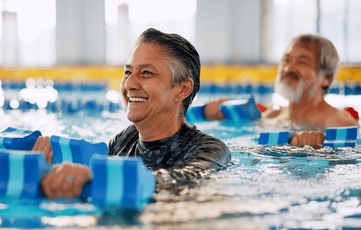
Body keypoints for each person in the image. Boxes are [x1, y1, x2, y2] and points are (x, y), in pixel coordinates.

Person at [33, 28, 231, 199]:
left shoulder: (210, 150)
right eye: (128, 72)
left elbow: (181, 182)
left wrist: (95, 175)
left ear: (183, 88)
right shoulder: (124, 141)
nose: (129, 84)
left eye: (146, 73)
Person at [203, 34, 359, 148]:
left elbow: (349, 163)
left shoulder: (339, 123)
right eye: (286, 59)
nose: (288, 68)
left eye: (302, 62)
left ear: (326, 77)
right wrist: (220, 115)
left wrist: (321, 149)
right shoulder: (271, 115)